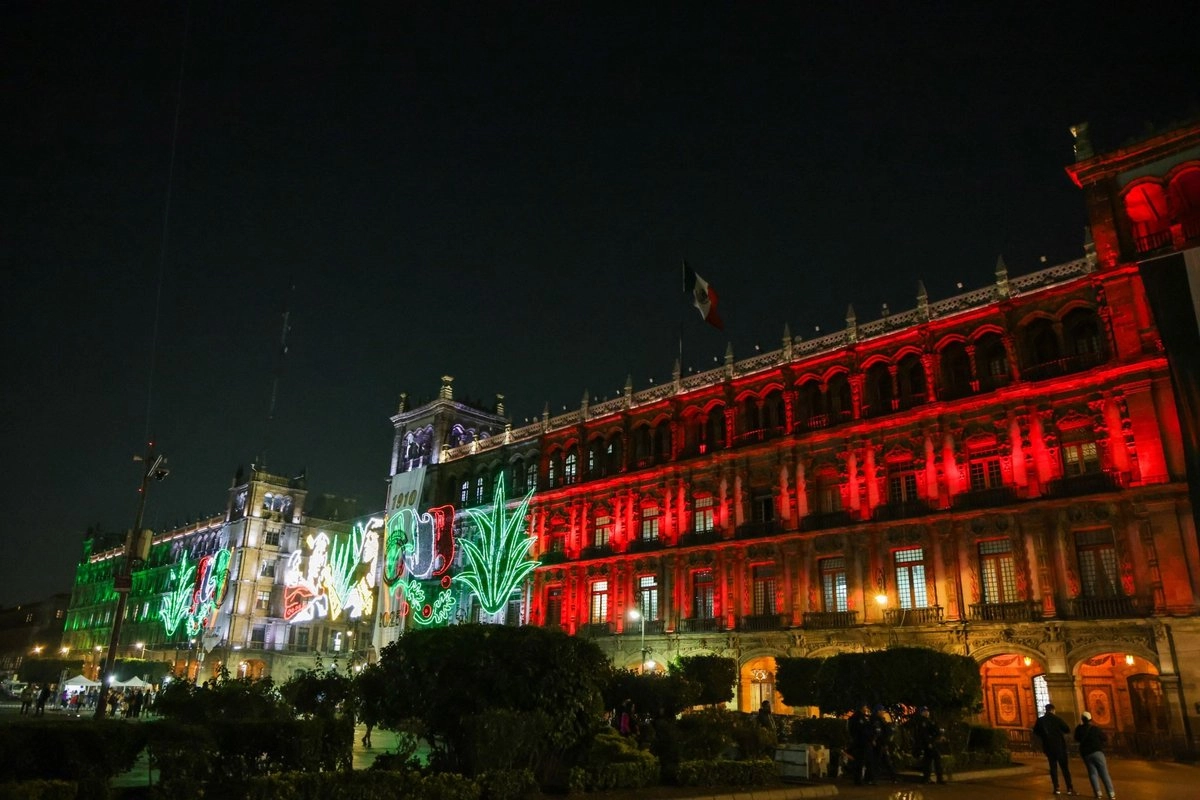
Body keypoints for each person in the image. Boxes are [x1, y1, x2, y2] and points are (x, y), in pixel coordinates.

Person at [1032, 702, 1076, 795]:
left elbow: (1035, 731)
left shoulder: (1040, 720)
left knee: (1053, 767)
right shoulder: (1057, 719)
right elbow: (1067, 729)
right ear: (1053, 710)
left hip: (1048, 747)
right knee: (1064, 768)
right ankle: (1069, 788)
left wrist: (1044, 736)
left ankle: (1056, 788)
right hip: (1060, 746)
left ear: (1046, 710)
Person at [1074, 711, 1115, 800]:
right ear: (1090, 719)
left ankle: (1098, 793)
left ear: (1082, 719)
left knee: (1092, 773)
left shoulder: (1079, 729)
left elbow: (1076, 739)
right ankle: (1111, 793)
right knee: (1104, 773)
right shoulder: (1095, 729)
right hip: (1097, 752)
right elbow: (1104, 738)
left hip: (1086, 754)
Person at [910, 706, 946, 784]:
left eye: (927, 711)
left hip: (930, 743)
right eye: (925, 711)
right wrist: (929, 743)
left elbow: (934, 730)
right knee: (936, 758)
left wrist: (939, 735)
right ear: (922, 713)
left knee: (928, 761)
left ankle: (927, 778)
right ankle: (938, 778)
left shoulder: (929, 721)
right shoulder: (922, 722)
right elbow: (924, 734)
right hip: (928, 744)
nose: (927, 712)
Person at [847, 703, 876, 785]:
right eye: (865, 707)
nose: (866, 709)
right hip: (862, 743)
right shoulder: (859, 718)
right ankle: (859, 780)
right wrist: (870, 738)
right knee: (861, 762)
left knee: (863, 761)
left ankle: (862, 779)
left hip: (861, 742)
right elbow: (863, 730)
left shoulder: (859, 717)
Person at [871, 704, 897, 782]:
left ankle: (893, 777)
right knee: (878, 761)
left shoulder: (880, 719)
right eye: (882, 710)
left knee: (885, 760)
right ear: (878, 711)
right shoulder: (876, 719)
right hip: (879, 743)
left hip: (882, 743)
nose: (883, 712)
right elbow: (878, 732)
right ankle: (874, 778)